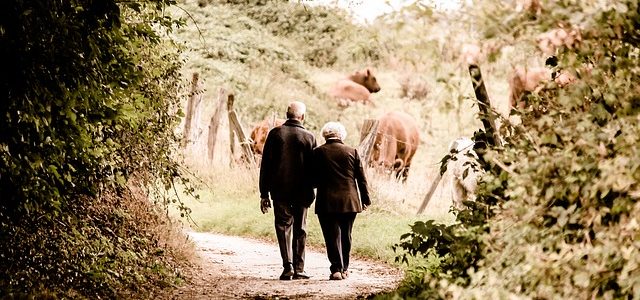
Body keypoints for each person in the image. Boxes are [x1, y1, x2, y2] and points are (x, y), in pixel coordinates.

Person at [259, 101, 317, 280]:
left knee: (283, 226)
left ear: (286, 114)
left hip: (280, 190)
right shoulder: (309, 137)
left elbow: (266, 166)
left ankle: (288, 266)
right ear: (303, 117)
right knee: (300, 228)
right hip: (303, 191)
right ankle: (300, 269)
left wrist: (264, 193)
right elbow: (315, 168)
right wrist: (313, 187)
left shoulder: (275, 134)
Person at [312, 121, 371, 281]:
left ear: (325, 135)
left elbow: (313, 179)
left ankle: (336, 269)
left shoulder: (318, 152)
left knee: (331, 236)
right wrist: (365, 199)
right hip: (350, 201)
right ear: (341, 135)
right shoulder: (352, 151)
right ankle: (345, 268)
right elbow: (361, 179)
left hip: (327, 201)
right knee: (346, 234)